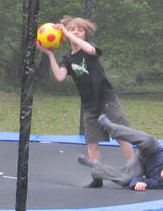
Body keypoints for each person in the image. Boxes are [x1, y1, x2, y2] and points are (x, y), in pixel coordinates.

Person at [39, 15, 134, 186]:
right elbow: (60, 76)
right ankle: (97, 178)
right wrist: (50, 55)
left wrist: (68, 33)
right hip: (89, 105)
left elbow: (90, 50)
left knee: (122, 136)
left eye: (80, 30)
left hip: (106, 99)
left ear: (85, 35)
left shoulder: (89, 50)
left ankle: (134, 172)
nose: (76, 32)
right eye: (72, 29)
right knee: (92, 144)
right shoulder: (68, 59)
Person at [78, 115, 163, 192]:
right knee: (148, 141)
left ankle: (94, 166)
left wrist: (138, 184)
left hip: (141, 163)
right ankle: (111, 127)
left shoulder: (160, 183)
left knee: (125, 179)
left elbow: (137, 179)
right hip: (153, 150)